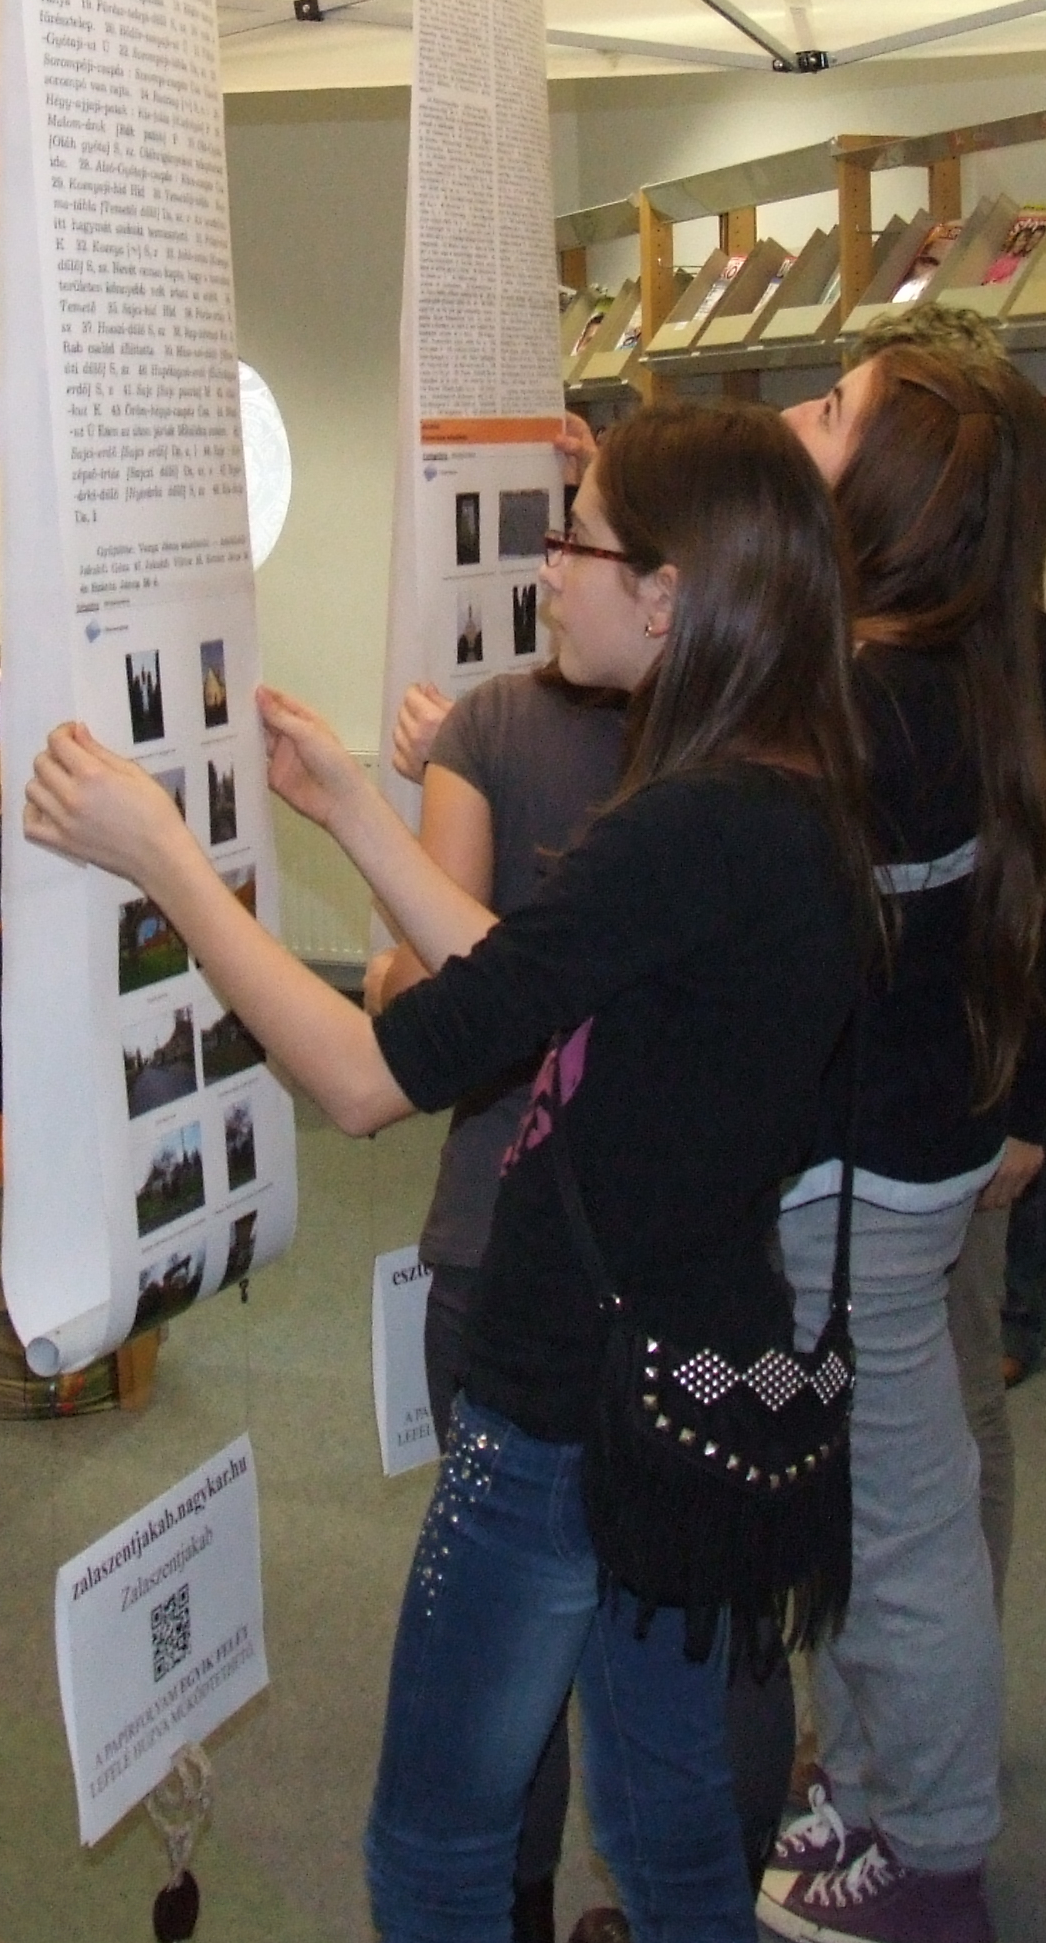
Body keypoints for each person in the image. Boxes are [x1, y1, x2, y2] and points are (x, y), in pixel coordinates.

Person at [26, 399, 873, 1943]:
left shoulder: (684, 825)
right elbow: (544, 980)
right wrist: (357, 810)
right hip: (694, 1376)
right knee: (671, 1837)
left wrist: (167, 862)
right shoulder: (783, 799)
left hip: (570, 1402)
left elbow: (364, 1079)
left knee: (434, 1847)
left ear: (669, 595)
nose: (549, 567)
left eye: (578, 540)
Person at [760, 341, 1046, 1943]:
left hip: (866, 1166)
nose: (797, 420)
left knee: (900, 1522)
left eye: (833, 411)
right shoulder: (1004, 654)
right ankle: (871, 1783)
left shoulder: (865, 697)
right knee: (889, 1499)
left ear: (902, 484)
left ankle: (934, 1849)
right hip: (928, 1135)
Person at [366, 651, 630, 1943]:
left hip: (507, 1253)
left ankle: (524, 1911)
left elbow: (423, 1024)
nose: (552, 569)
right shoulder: (770, 736)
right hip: (692, 1278)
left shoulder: (501, 729)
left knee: (497, 1653)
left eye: (579, 552)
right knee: (671, 1641)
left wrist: (383, 974)